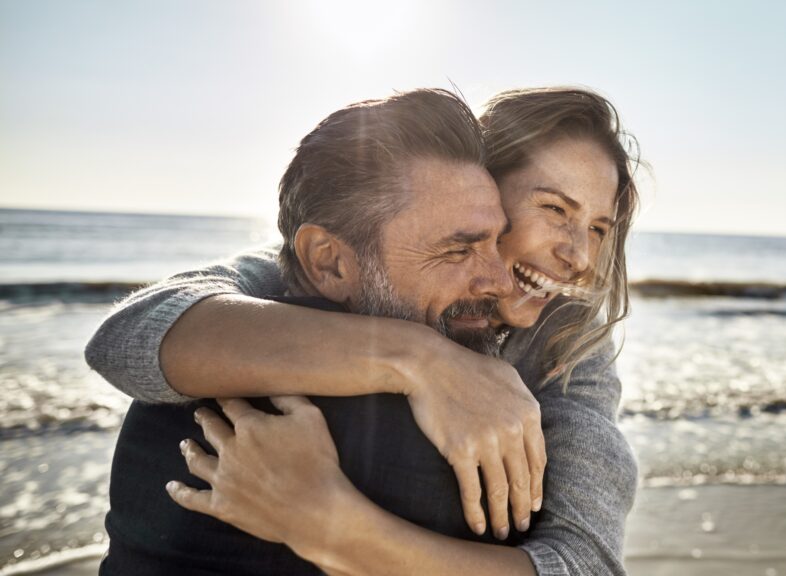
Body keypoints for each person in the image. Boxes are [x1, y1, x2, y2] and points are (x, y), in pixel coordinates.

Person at [87, 86, 641, 575]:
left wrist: (326, 522)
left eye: (597, 228)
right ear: (483, 190)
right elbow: (128, 338)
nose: (580, 256)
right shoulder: (300, 274)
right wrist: (422, 359)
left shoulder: (568, 343)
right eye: (554, 209)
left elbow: (584, 559)